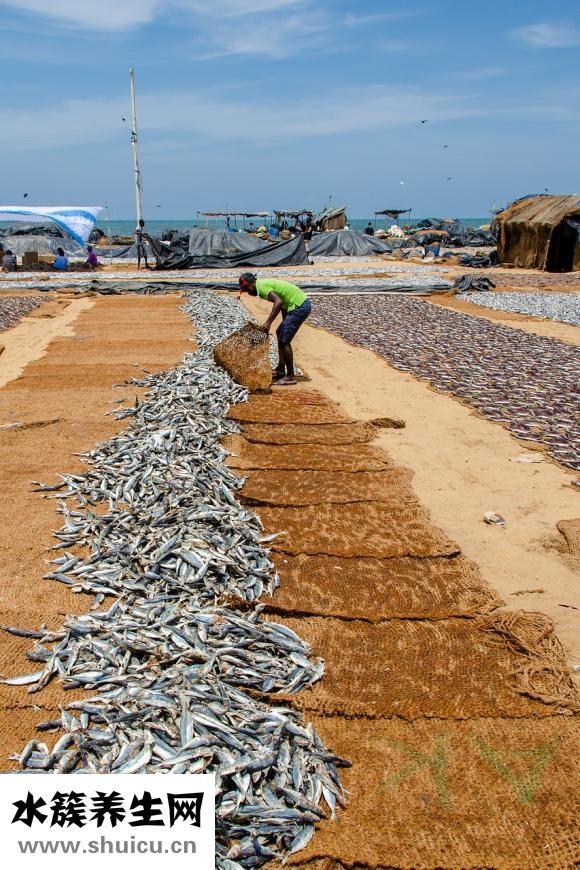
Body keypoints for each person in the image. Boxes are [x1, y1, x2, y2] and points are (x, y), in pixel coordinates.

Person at [238, 273, 311, 386]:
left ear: (249, 285)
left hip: (300, 306)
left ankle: (290, 376)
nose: (248, 293)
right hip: (297, 304)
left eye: (246, 289)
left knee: (284, 340)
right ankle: (281, 369)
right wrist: (285, 322)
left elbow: (279, 301)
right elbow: (283, 302)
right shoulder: (262, 284)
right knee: (280, 333)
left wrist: (268, 323)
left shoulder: (261, 287)